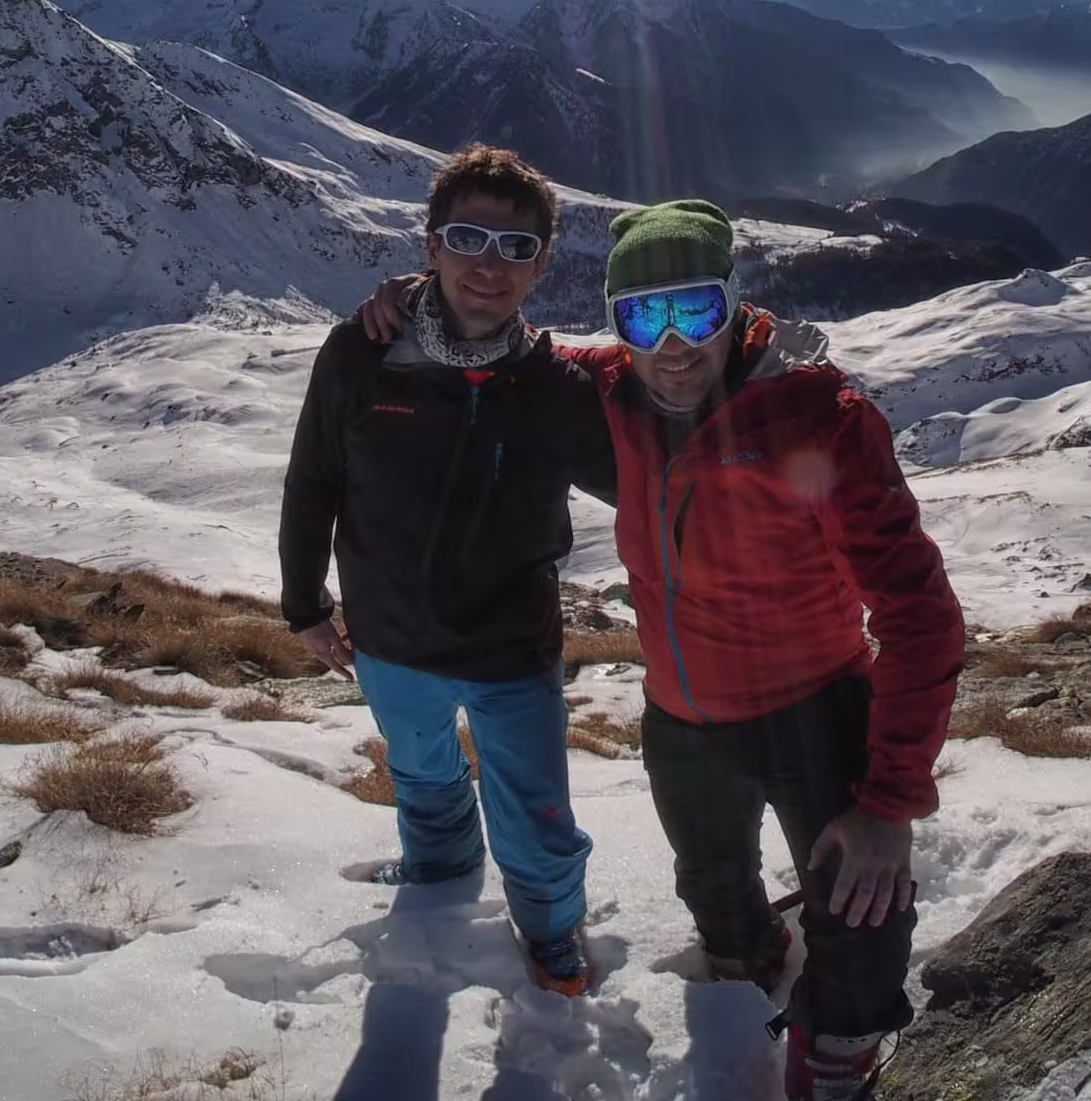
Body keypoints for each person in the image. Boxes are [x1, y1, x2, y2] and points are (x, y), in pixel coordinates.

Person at [360, 199, 967, 1100]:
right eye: (644, 317)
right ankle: (747, 968)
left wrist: (888, 804)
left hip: (817, 708)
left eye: (696, 310)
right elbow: (504, 347)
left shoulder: (820, 418)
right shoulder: (607, 389)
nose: (673, 343)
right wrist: (423, 298)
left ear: (734, 302)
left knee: (864, 908)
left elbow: (920, 613)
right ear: (617, 324)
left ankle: (838, 1052)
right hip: (684, 725)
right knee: (716, 901)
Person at [278, 146, 617, 998]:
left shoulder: (556, 387)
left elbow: (643, 481)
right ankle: (439, 877)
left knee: (535, 812)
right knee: (423, 776)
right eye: (467, 238)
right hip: (389, 637)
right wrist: (304, 603)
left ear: (542, 264)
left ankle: (551, 929)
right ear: (430, 246)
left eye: (515, 247)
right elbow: (314, 479)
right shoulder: (358, 354)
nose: (488, 265)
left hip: (512, 646)